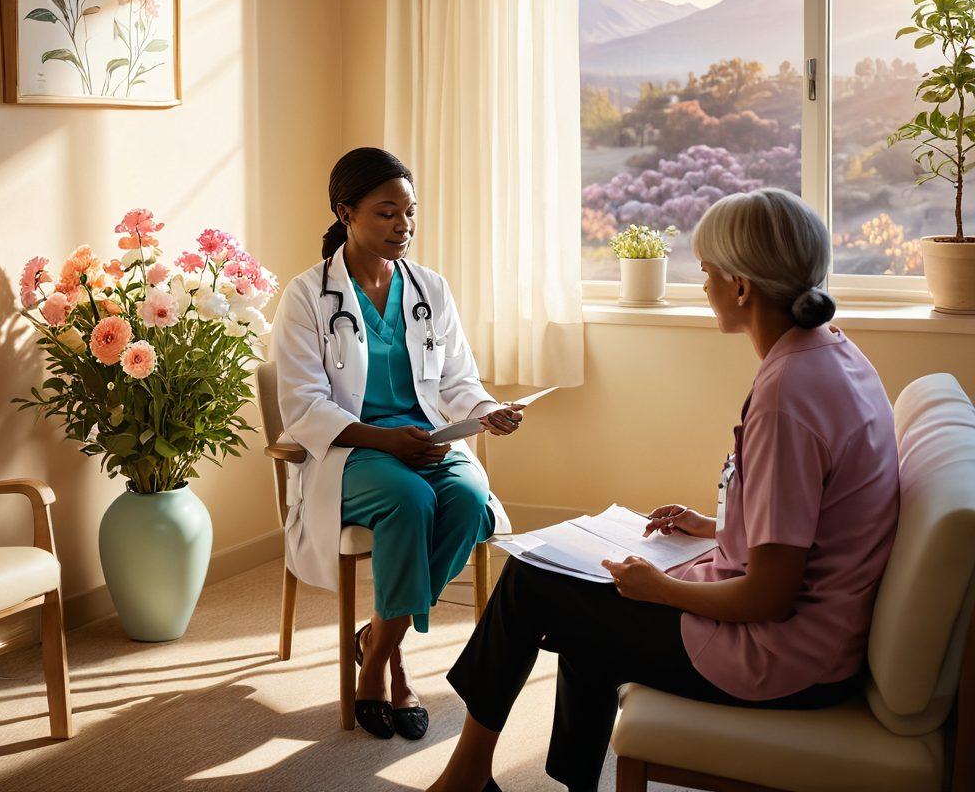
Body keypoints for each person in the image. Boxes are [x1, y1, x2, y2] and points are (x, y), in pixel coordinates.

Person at [428, 188, 900, 792]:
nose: (700, 285)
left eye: (705, 271)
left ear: (741, 287)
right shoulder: (837, 355)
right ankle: (548, 781)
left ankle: (465, 778)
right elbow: (814, 519)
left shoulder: (788, 394)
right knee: (577, 593)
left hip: (783, 658)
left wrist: (662, 590)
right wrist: (716, 527)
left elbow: (771, 598)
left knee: (534, 580)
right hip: (822, 641)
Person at [271, 147, 523, 742]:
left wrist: (487, 412)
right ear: (346, 213)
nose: (403, 227)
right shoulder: (307, 297)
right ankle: (392, 666)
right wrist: (386, 439)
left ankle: (377, 643)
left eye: (409, 213)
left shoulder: (429, 288)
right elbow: (304, 406)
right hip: (351, 452)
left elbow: (459, 379)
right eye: (387, 213)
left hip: (426, 442)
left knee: (467, 496)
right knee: (409, 501)